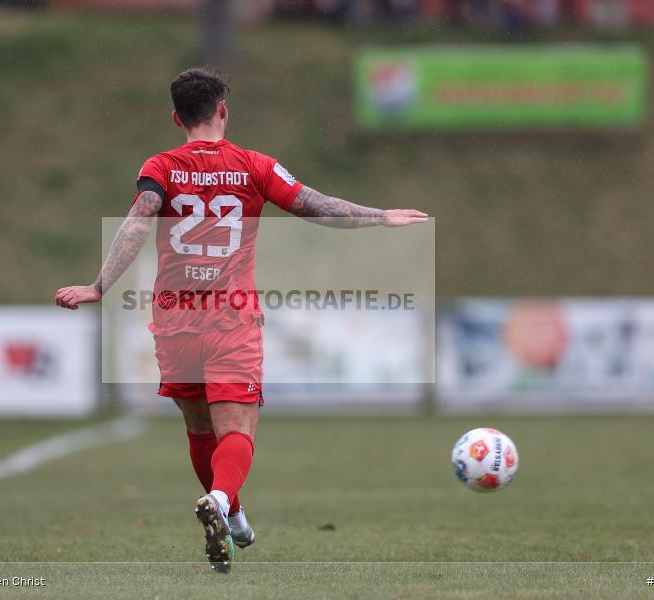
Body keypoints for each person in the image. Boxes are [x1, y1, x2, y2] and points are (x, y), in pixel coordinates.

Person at [54, 68, 427, 573]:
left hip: (174, 320)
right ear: (222, 110)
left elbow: (139, 221)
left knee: (199, 429)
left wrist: (98, 286)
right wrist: (380, 216)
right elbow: (315, 206)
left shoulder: (160, 167)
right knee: (237, 429)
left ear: (177, 118)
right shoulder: (254, 165)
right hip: (229, 317)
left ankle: (231, 512)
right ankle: (222, 500)